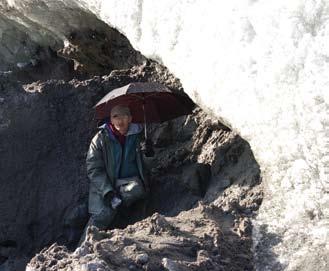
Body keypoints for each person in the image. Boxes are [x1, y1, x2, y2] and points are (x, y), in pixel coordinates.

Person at [80, 105, 150, 243]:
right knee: (103, 214)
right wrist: (108, 192)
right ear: (111, 120)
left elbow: (148, 167)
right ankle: (82, 246)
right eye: (115, 116)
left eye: (123, 115)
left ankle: (119, 206)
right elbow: (94, 169)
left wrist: (149, 154)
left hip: (129, 183)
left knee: (136, 189)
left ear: (130, 118)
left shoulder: (139, 136)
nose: (119, 120)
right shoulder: (100, 139)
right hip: (105, 184)